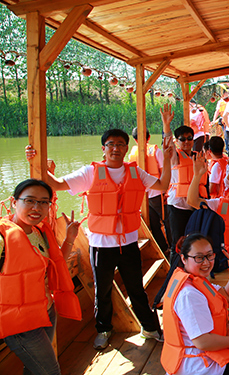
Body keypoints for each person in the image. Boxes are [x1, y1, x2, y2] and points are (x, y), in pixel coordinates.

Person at [27, 124, 173, 350]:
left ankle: (150, 328)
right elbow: (56, 184)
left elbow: (163, 185)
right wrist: (34, 161)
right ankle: (104, 329)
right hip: (101, 245)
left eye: (120, 144)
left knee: (136, 289)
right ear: (103, 148)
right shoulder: (90, 173)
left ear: (126, 148)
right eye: (110, 144)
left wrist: (169, 160)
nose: (116, 148)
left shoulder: (137, 172)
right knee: (102, 291)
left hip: (129, 243)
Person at [0, 179, 82, 375]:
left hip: (46, 310)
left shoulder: (39, 231)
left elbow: (55, 264)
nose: (37, 207)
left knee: (33, 369)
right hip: (21, 323)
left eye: (44, 202)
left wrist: (69, 239)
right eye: (29, 200)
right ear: (14, 202)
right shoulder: (3, 238)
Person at [161, 233, 229, 375]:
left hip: (197, 350)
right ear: (184, 259)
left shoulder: (193, 279)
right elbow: (203, 342)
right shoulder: (189, 294)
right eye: (199, 257)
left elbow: (228, 295)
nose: (206, 262)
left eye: (209, 255)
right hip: (195, 363)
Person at [129, 126, 171, 253]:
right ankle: (171, 247)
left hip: (142, 196)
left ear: (135, 140)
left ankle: (164, 248)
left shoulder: (132, 153)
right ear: (149, 137)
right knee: (167, 221)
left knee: (154, 224)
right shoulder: (156, 151)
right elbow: (164, 172)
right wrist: (166, 192)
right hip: (156, 194)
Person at [168, 124, 199, 252]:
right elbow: (169, 145)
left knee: (194, 241)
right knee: (178, 242)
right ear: (177, 141)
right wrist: (166, 125)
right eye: (182, 139)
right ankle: (175, 264)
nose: (186, 141)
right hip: (178, 206)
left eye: (189, 138)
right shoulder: (175, 156)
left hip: (194, 206)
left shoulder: (198, 157)